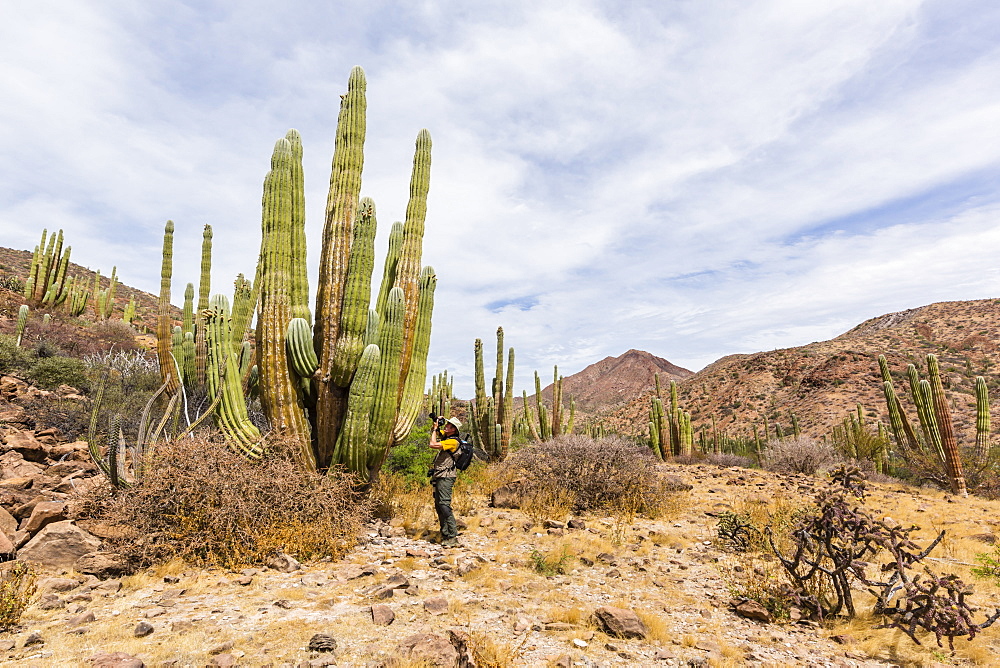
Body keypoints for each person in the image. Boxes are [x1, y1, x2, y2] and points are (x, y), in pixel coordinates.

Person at [428, 416, 463, 547]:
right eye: (447, 424)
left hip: (446, 476)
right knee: (439, 505)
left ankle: (453, 536)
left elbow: (433, 444)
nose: (446, 426)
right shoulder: (447, 438)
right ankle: (445, 534)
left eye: (449, 425)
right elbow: (437, 432)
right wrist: (436, 426)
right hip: (439, 475)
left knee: (444, 505)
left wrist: (434, 431)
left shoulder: (453, 442)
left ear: (454, 430)